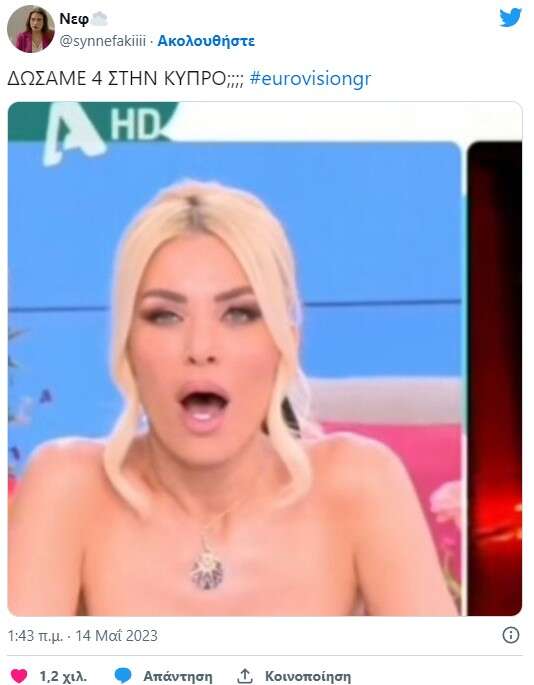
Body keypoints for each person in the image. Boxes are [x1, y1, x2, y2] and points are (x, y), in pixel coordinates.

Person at [8, 181, 458, 616]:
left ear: (286, 343)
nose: (201, 348)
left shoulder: (358, 482)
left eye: (239, 314)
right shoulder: (68, 487)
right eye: (165, 316)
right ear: (127, 346)